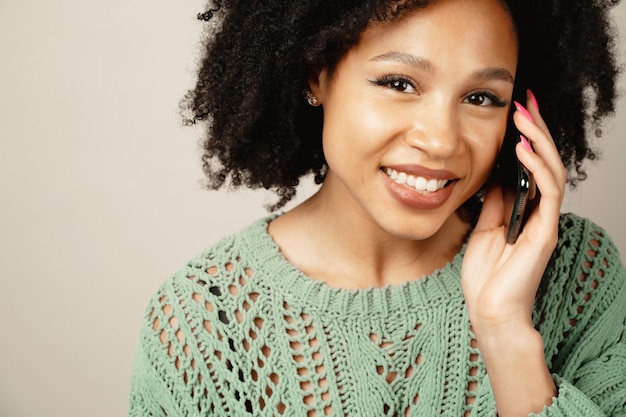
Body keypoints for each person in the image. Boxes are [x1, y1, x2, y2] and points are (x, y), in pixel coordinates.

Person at [128, 0, 626, 415]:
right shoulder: (205, 321)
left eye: (481, 97)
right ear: (316, 76)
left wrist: (506, 333)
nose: (440, 140)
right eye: (398, 83)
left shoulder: (575, 274)